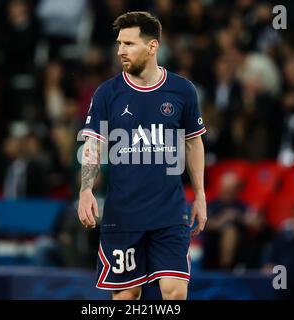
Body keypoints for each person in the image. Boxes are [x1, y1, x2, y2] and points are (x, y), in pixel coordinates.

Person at [77, 12, 207, 300]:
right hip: (123, 216)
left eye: (129, 44)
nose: (120, 50)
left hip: (169, 213)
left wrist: (199, 193)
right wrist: (86, 189)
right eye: (119, 43)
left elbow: (193, 143)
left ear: (152, 47)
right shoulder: (107, 93)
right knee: (127, 296)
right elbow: (92, 146)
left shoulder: (182, 91)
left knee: (174, 293)